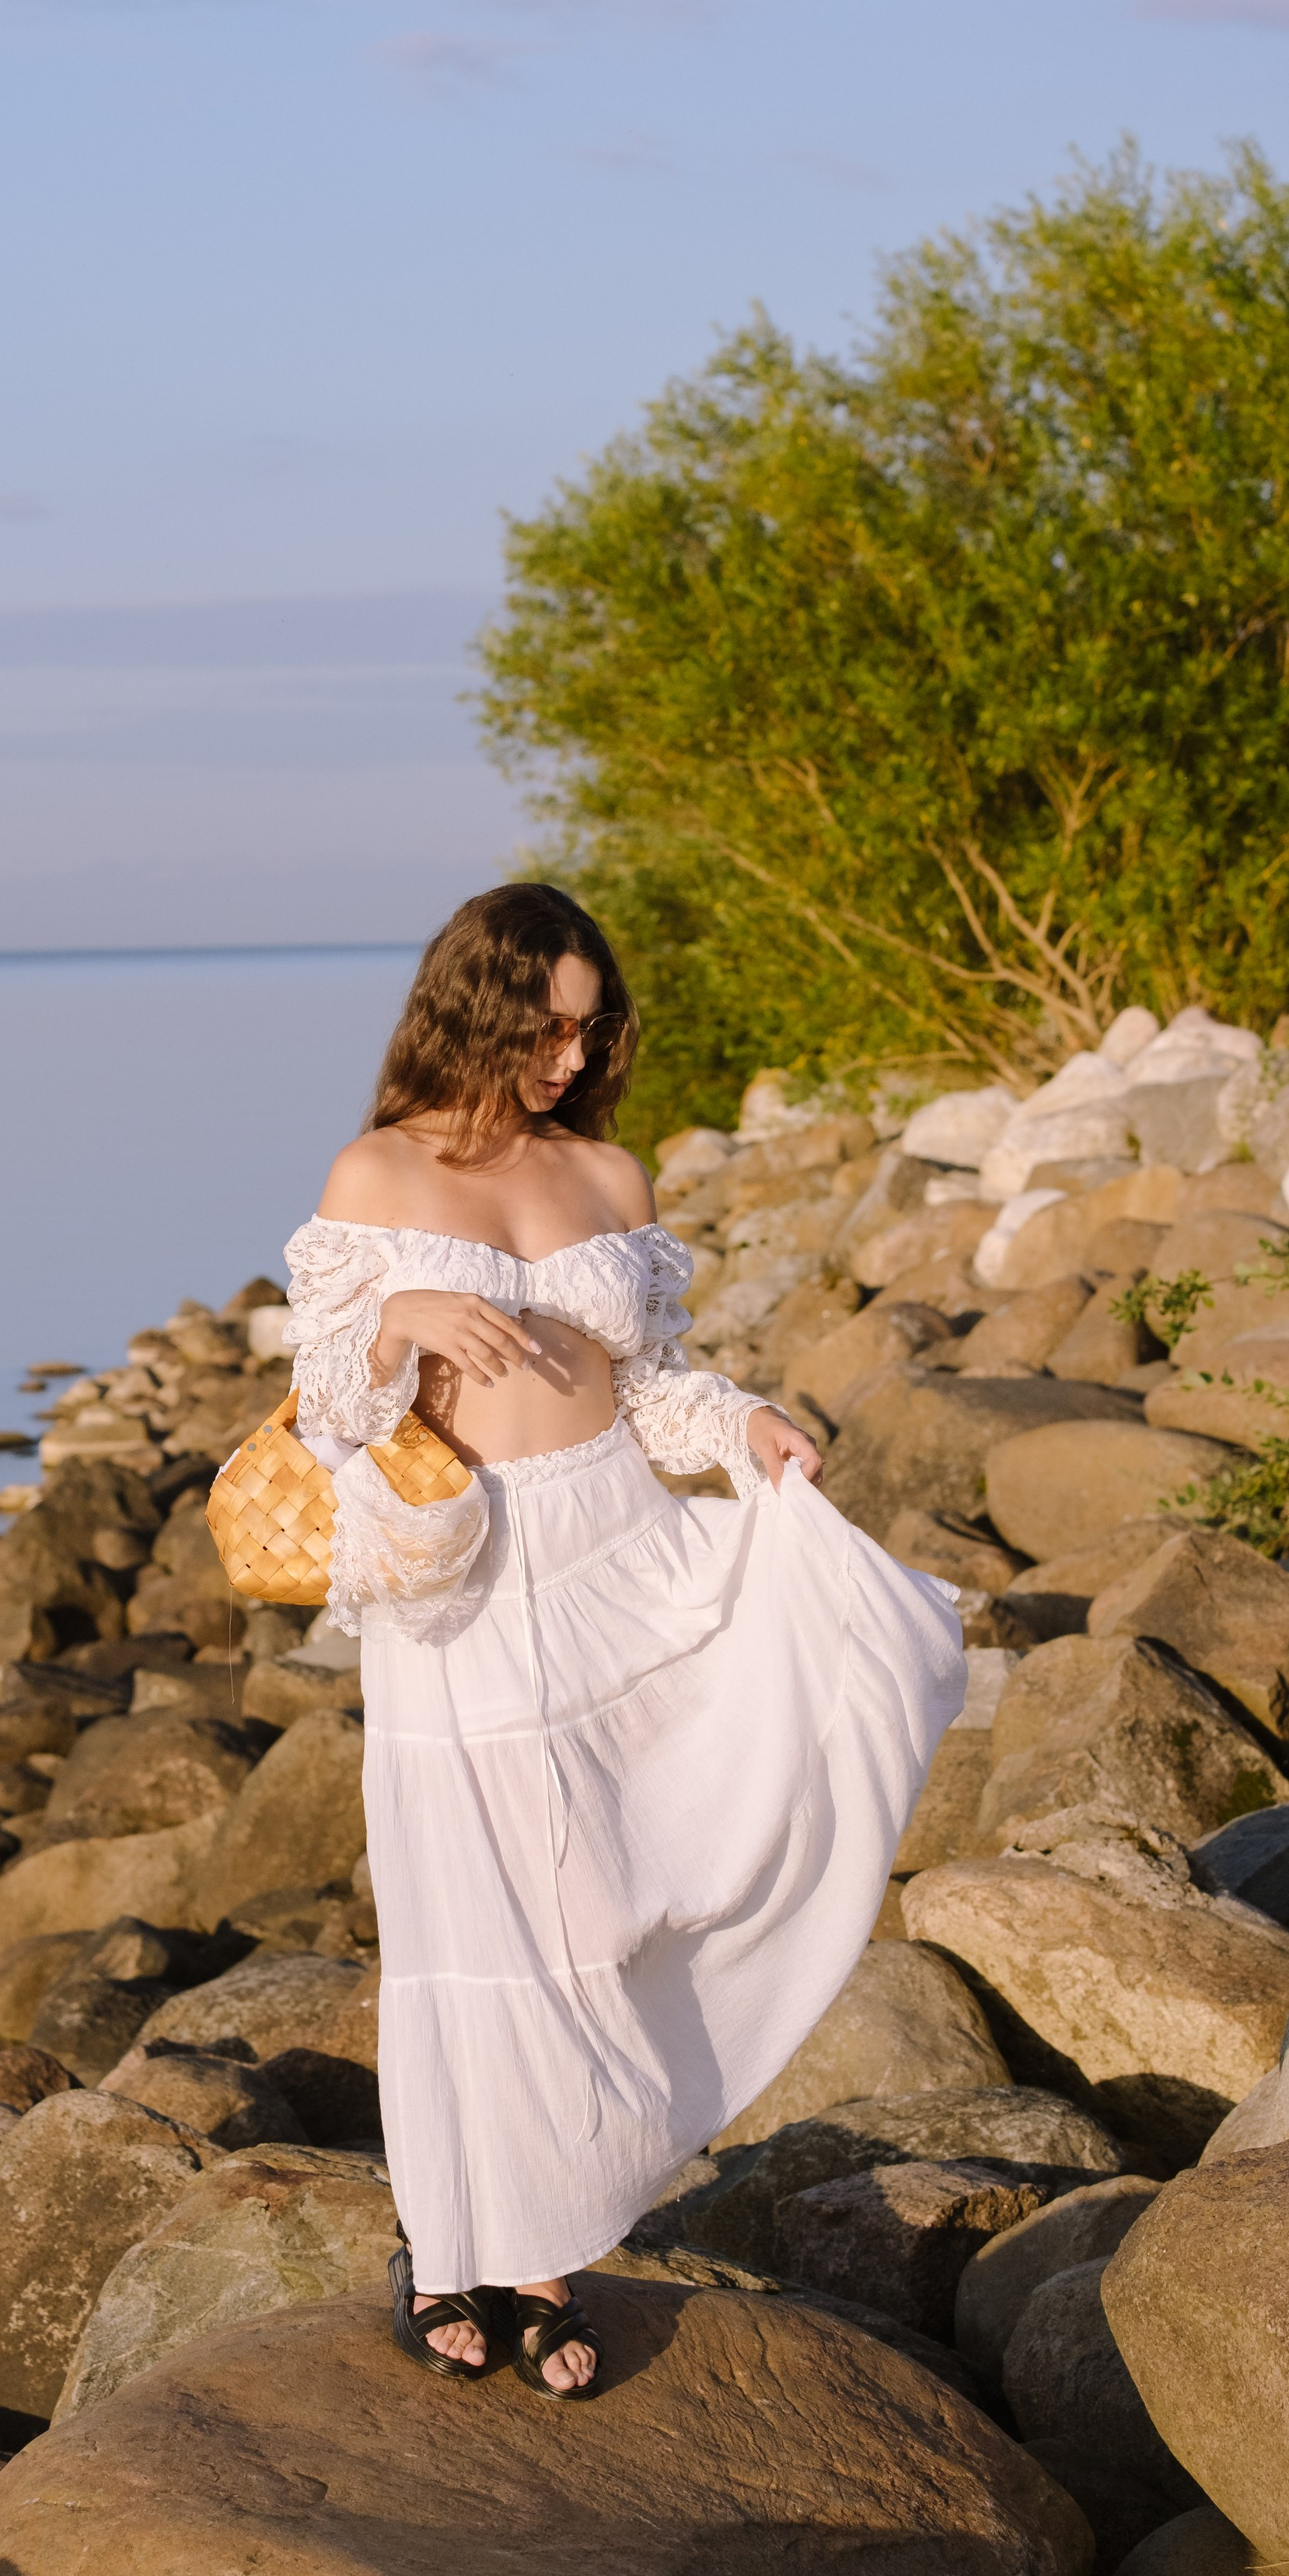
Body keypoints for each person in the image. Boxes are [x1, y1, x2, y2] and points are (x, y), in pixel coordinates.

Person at [282, 882, 963, 2399]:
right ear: (472, 1007)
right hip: (463, 1584)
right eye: (541, 1025)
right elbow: (327, 1406)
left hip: (615, 1546)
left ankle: (544, 2260)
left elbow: (646, 1384)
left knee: (599, 1911)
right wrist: (399, 1323)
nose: (568, 1056)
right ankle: (445, 2252)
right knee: (471, 1930)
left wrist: (742, 1424)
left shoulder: (608, 1171)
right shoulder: (376, 1170)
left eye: (589, 1028)